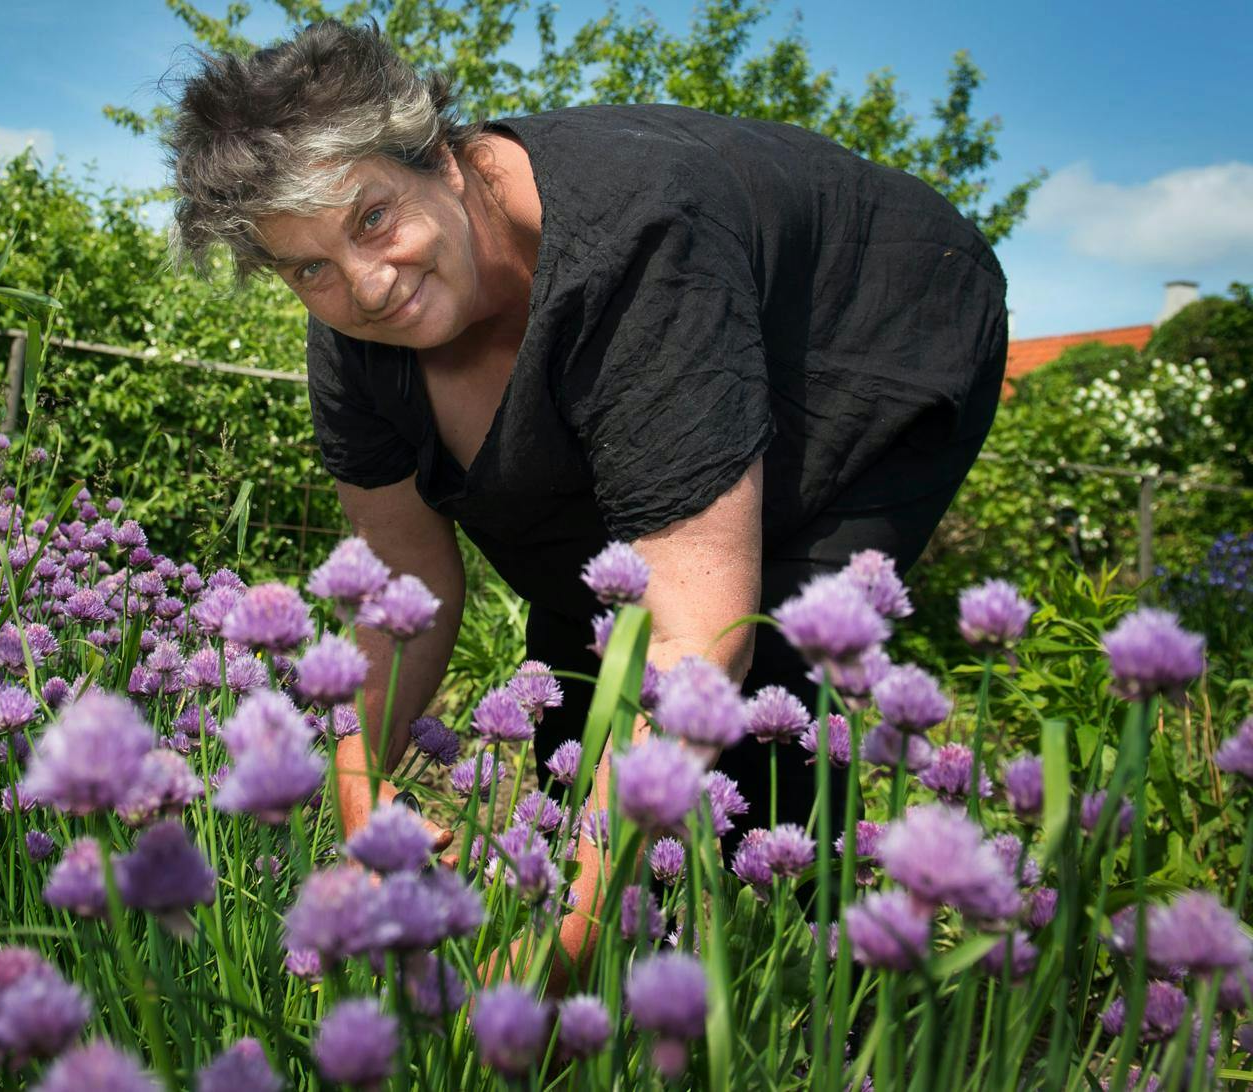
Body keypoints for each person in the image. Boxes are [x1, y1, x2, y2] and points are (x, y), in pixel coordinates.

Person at [166, 20, 1008, 977]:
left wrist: (554, 966)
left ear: (440, 158)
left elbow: (694, 634)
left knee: (763, 694)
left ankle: (811, 991)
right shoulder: (357, 334)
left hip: (869, 333)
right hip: (659, 337)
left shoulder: (639, 241)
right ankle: (616, 940)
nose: (366, 283)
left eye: (372, 218)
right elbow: (403, 575)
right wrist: (360, 791)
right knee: (586, 666)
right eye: (308, 266)